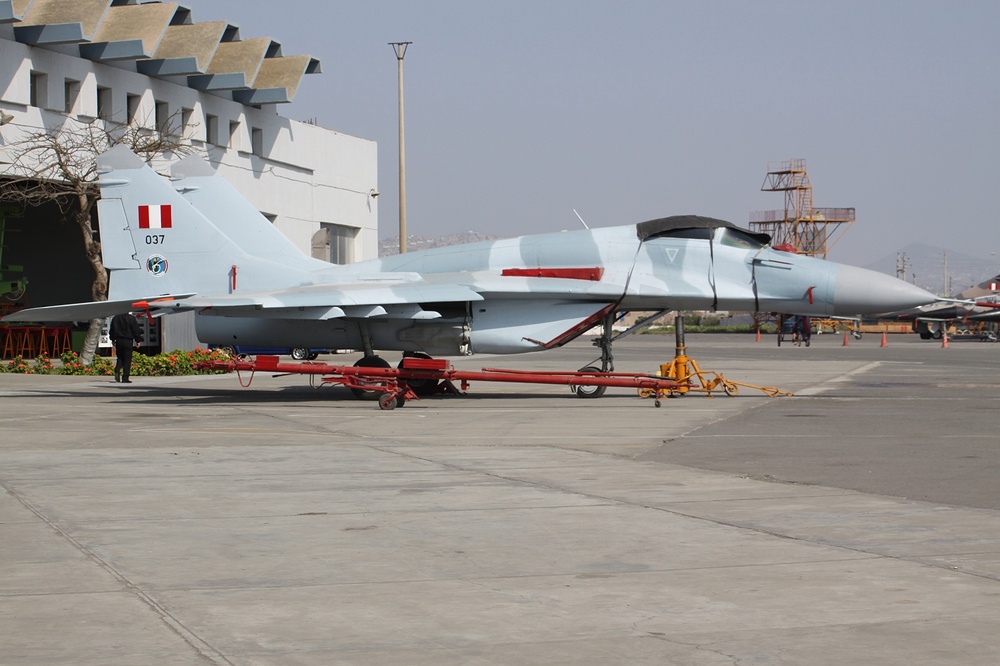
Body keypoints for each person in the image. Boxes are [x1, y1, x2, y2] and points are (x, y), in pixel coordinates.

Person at [109, 312, 143, 383]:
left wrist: (112, 339)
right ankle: (125, 377)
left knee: (120, 357)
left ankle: (117, 370)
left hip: (118, 340)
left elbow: (112, 329)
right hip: (128, 340)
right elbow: (135, 330)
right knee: (127, 359)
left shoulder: (115, 318)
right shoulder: (131, 318)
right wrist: (138, 340)